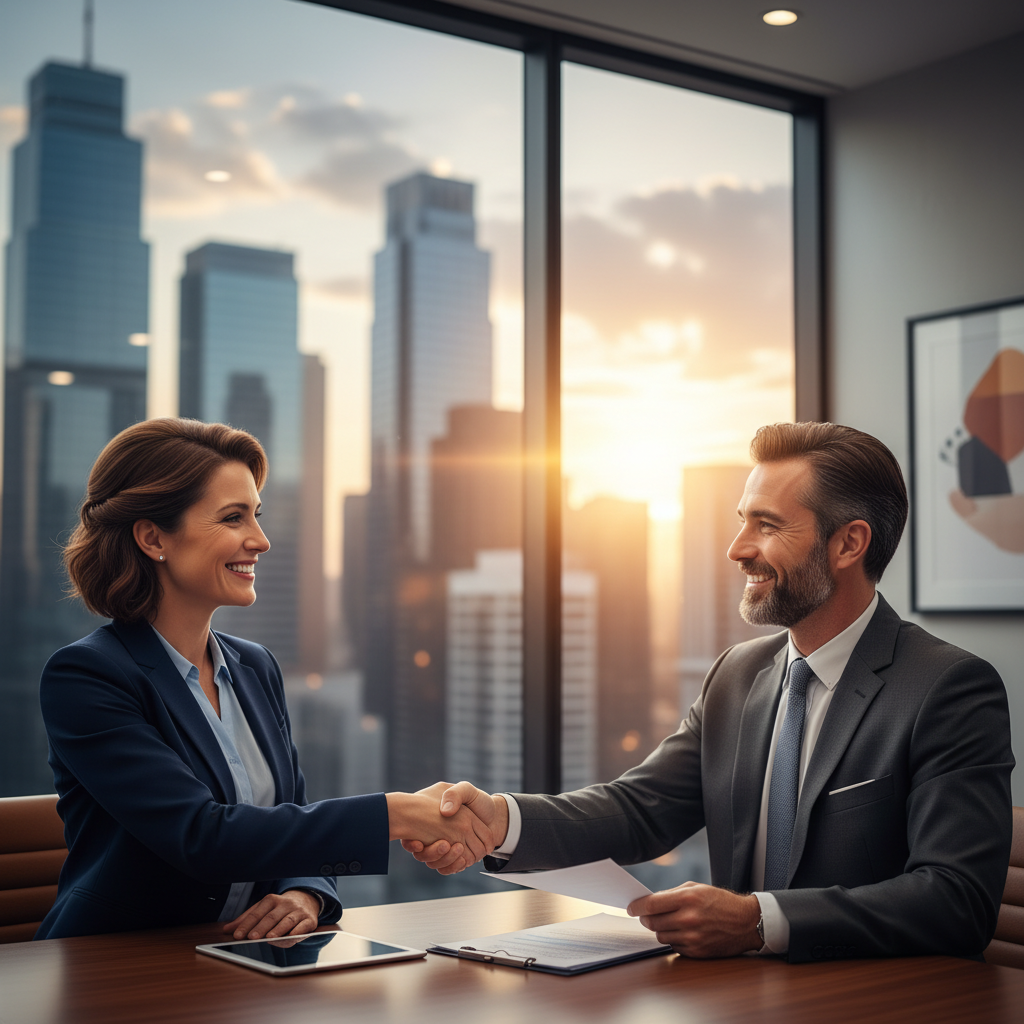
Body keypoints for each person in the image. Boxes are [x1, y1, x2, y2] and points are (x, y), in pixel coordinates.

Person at [406, 422, 1015, 963]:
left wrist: (757, 923)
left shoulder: (948, 688)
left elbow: (955, 900)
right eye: (742, 521)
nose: (737, 548)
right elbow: (639, 809)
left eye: (767, 525)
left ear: (849, 544)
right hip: (734, 999)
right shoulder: (738, 674)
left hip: (867, 1003)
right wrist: (500, 819)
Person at [36, 418, 482, 940]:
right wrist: (398, 813)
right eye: (233, 518)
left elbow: (289, 818)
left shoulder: (255, 667)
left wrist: (305, 892)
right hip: (121, 965)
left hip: (247, 961)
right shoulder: (87, 677)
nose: (261, 540)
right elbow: (200, 836)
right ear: (153, 537)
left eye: (257, 515)